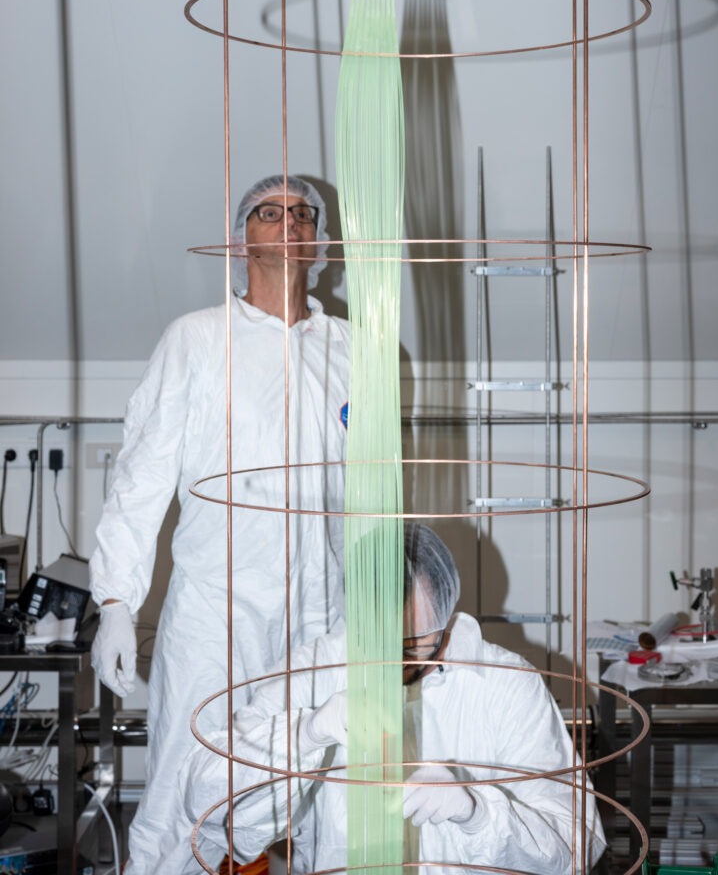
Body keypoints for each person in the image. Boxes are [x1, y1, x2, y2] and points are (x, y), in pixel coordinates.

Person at [89, 175, 350, 875]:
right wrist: (116, 602)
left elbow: (374, 495)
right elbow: (141, 478)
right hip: (217, 607)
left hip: (324, 610)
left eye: (304, 215)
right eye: (271, 213)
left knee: (327, 782)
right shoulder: (199, 340)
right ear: (242, 242)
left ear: (321, 244)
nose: (290, 223)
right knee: (186, 780)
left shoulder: (354, 350)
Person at [182, 525, 606, 875]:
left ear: (441, 611)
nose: (390, 656)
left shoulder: (506, 686)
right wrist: (305, 734)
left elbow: (576, 849)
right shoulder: (313, 669)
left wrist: (479, 814)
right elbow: (211, 809)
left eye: (411, 640)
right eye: (375, 636)